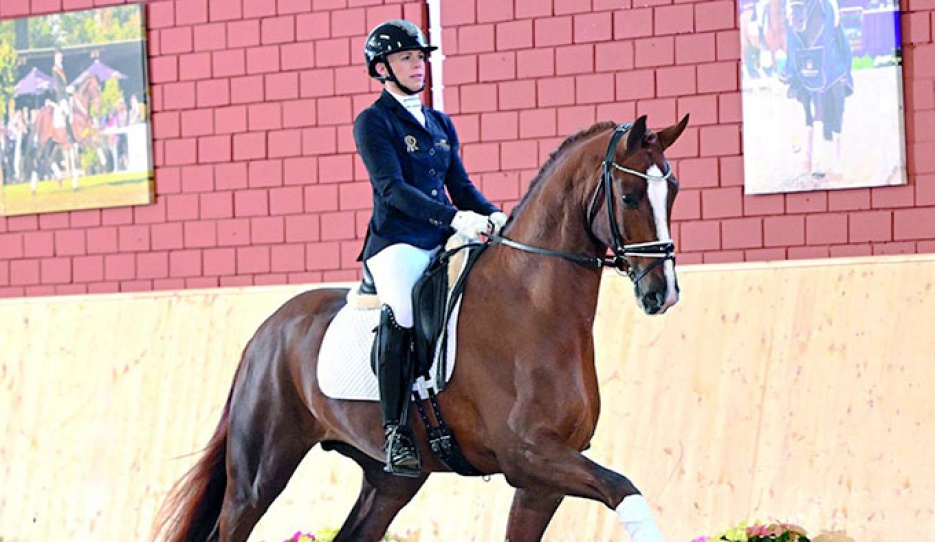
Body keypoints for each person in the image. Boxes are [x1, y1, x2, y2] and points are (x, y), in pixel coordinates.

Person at [354, 19, 507, 477]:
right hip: (397, 242)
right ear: (382, 68)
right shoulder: (373, 122)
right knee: (402, 311)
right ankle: (396, 430)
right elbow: (392, 190)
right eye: (406, 58)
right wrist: (455, 219)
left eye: (420, 57)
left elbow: (460, 186)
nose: (418, 65)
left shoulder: (439, 123)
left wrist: (495, 215)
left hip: (442, 236)